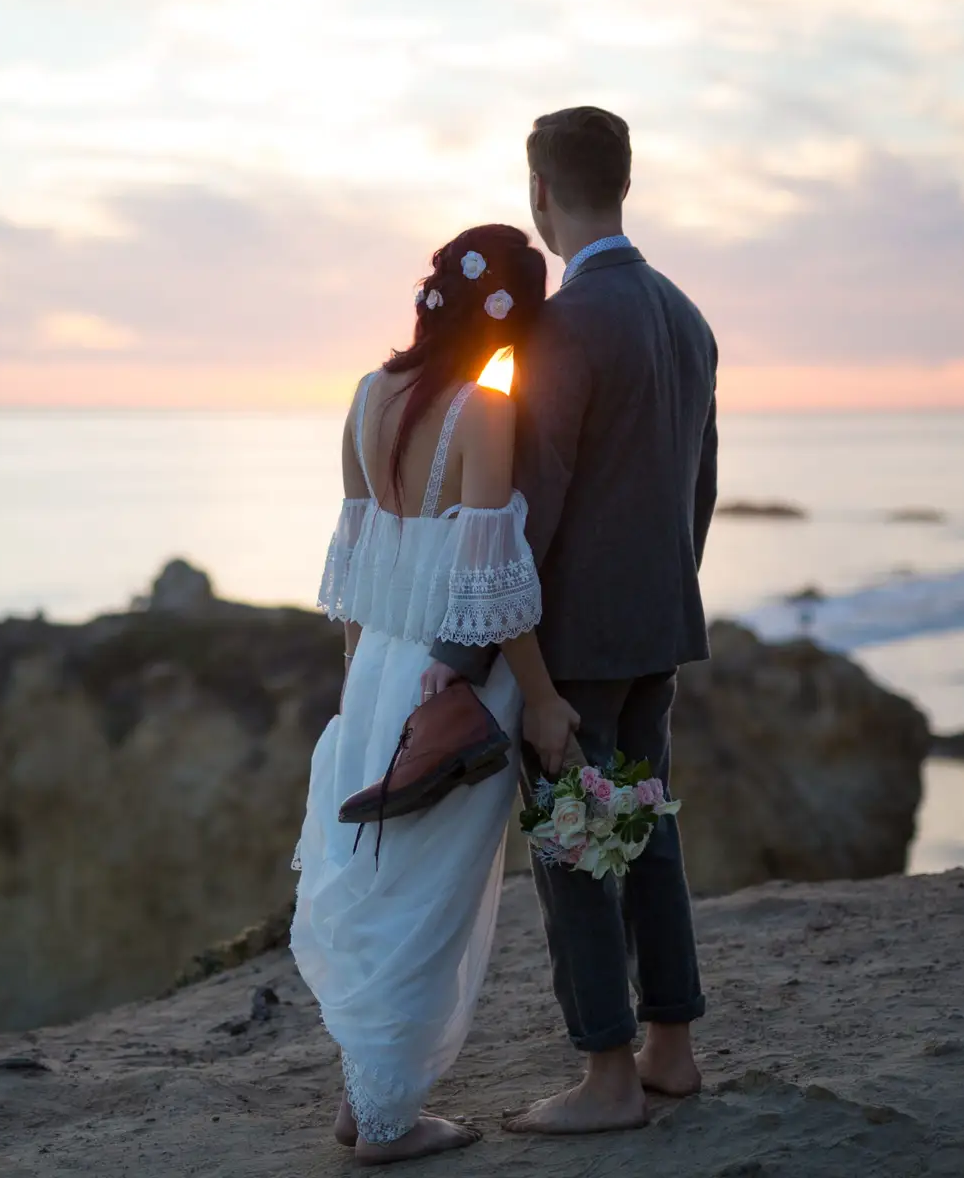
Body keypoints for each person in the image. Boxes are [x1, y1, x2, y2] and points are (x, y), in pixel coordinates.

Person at [426, 106, 721, 1135]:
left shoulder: (561, 330)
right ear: (624, 182)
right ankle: (670, 1048)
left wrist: (459, 655)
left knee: (574, 850)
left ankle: (607, 1075)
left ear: (540, 192)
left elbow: (524, 510)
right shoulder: (687, 317)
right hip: (659, 627)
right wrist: (663, 593)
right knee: (647, 834)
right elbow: (700, 492)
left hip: (578, 650)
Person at [292, 223, 581, 1164]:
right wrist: (541, 701)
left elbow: (356, 564)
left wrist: (359, 686)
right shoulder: (483, 411)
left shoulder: (368, 397)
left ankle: (365, 1096)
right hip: (451, 682)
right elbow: (494, 586)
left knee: (377, 880)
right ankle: (385, 1121)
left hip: (376, 666)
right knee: (428, 897)